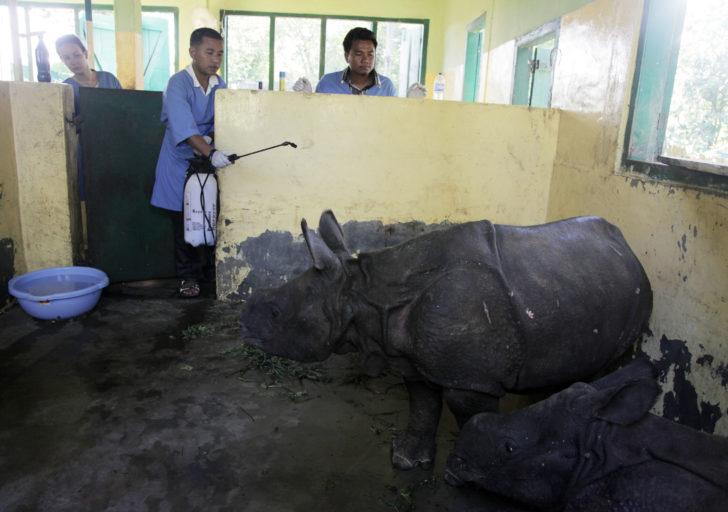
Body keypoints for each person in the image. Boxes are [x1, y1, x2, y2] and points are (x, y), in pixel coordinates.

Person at [151, 27, 232, 298]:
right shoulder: (179, 83)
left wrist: (213, 143)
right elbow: (184, 128)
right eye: (209, 52)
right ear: (193, 52)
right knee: (183, 218)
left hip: (205, 160)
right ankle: (188, 277)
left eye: (220, 53)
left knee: (207, 215)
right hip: (179, 162)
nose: (215, 59)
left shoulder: (220, 84)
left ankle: (209, 272)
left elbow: (230, 118)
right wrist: (210, 152)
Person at [56, 34, 122, 199]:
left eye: (76, 55)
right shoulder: (66, 88)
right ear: (62, 60)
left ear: (85, 54)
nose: (73, 61)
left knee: (117, 190)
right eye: (67, 58)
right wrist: (81, 120)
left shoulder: (108, 79)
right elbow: (67, 126)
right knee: (92, 194)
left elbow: (125, 109)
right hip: (87, 150)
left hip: (115, 147)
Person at [315, 27, 396, 96]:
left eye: (370, 54)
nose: (366, 60)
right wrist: (305, 97)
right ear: (347, 57)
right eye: (359, 54)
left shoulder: (387, 87)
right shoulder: (327, 83)